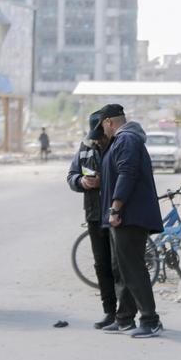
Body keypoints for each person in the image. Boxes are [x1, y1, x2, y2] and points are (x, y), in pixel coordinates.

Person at [97, 104, 164, 338]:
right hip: (123, 216)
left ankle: (150, 319)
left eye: (102, 126)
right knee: (122, 268)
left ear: (108, 122)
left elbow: (127, 173)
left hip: (129, 216)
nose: (102, 131)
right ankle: (125, 318)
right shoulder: (122, 140)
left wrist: (115, 207)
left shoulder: (126, 140)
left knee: (133, 268)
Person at [67, 110, 118, 328]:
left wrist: (102, 182)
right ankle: (110, 312)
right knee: (102, 265)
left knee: (120, 265)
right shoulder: (85, 147)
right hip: (94, 214)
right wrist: (81, 181)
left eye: (100, 133)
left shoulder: (119, 145)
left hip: (117, 214)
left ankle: (127, 312)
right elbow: (71, 175)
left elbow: (126, 178)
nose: (97, 139)